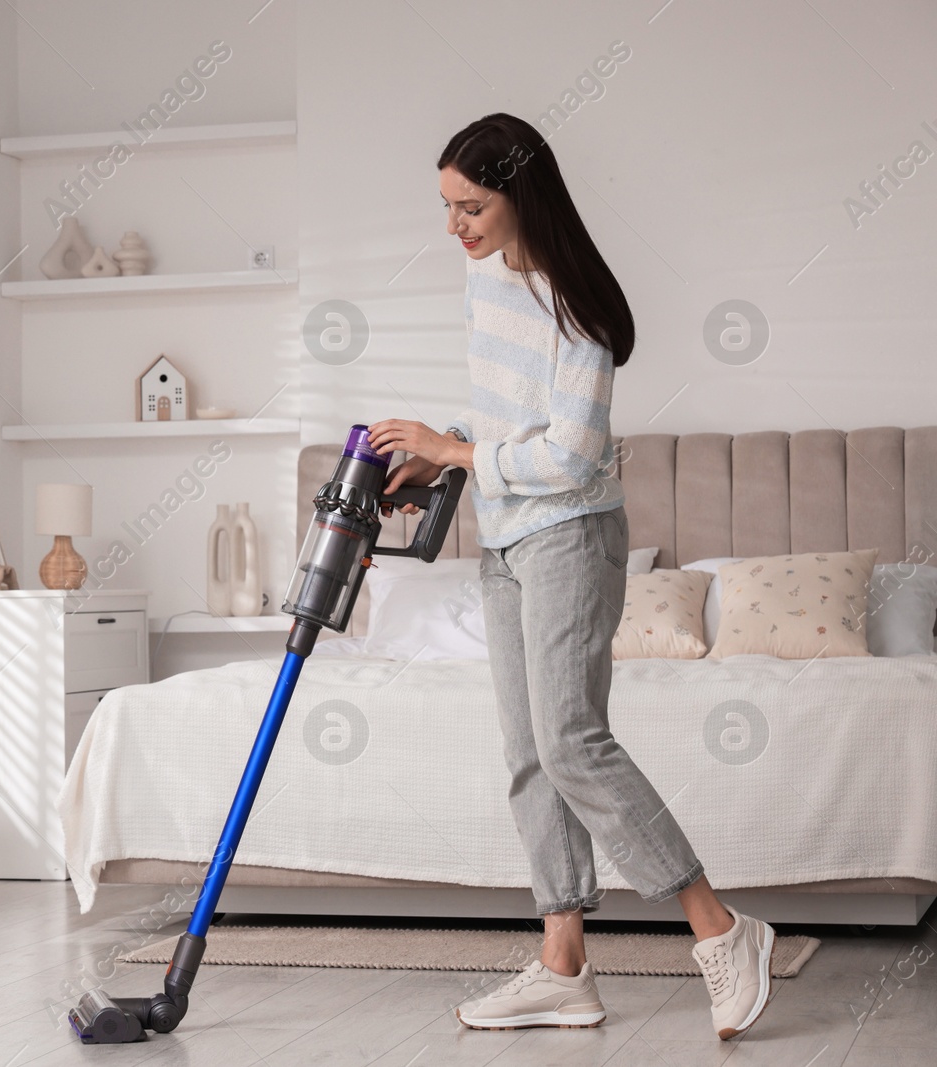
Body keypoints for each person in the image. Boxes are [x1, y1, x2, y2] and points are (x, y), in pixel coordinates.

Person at [364, 113, 776, 1041]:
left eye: (472, 207)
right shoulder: (480, 277)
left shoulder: (576, 303)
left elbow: (576, 453)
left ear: (522, 196)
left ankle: (723, 930)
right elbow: (504, 415)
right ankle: (563, 966)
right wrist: (438, 466)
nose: (456, 227)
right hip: (504, 539)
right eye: (447, 208)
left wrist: (462, 449)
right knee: (528, 752)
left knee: (572, 740)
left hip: (571, 537)